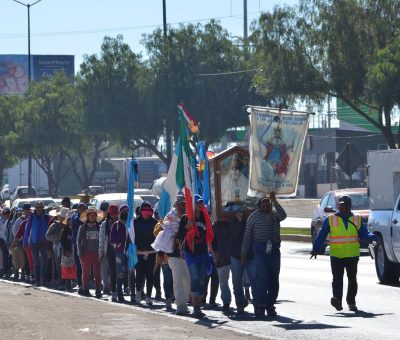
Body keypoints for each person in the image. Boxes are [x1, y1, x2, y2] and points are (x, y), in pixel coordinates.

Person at [311, 195, 377, 312]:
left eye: (345, 205)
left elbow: (364, 233)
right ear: (338, 206)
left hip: (352, 255)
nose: (343, 207)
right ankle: (337, 300)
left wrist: (373, 237)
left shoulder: (357, 219)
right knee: (337, 279)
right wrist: (315, 248)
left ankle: (351, 302)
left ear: (350, 206)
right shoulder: (331, 219)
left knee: (352, 279)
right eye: (341, 205)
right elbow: (321, 235)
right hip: (336, 255)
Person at [241, 192, 286, 317]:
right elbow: (247, 237)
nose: (266, 204)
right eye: (263, 202)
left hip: (274, 251)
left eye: (268, 202)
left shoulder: (275, 215)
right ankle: (260, 305)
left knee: (274, 279)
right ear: (259, 204)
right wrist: (243, 254)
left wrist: (275, 200)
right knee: (261, 279)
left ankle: (270, 305)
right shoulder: (253, 218)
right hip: (260, 252)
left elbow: (284, 215)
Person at [177, 194, 214, 318]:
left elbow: (209, 234)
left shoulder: (205, 217)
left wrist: (212, 251)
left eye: (201, 203)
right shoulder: (186, 217)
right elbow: (179, 235)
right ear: (192, 205)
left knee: (202, 278)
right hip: (190, 252)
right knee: (195, 276)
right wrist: (187, 226)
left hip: (203, 252)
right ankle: (195, 307)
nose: (199, 205)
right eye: (197, 203)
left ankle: (198, 305)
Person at [162, 194, 191, 315]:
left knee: (188, 280)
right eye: (179, 204)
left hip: (187, 253)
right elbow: (164, 232)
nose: (181, 206)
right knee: (177, 280)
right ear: (174, 204)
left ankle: (184, 301)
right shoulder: (169, 217)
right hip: (173, 253)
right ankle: (180, 305)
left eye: (183, 203)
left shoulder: (189, 216)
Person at [229, 207, 254, 314]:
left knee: (255, 280)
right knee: (236, 282)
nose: (244, 212)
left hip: (250, 255)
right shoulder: (233, 221)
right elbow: (234, 235)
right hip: (236, 255)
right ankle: (240, 304)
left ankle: (258, 305)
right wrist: (239, 221)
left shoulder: (252, 219)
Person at [77, 208, 105, 298]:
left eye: (94, 215)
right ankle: (85, 289)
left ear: (96, 217)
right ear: (87, 216)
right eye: (90, 215)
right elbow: (78, 240)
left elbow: (102, 241)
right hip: (86, 253)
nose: (92, 217)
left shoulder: (100, 227)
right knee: (86, 273)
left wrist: (101, 252)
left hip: (96, 253)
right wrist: (80, 253)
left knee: (97, 273)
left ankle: (98, 290)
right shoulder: (82, 227)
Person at [134, 202, 158, 305]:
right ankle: (138, 292)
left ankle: (148, 296)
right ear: (140, 212)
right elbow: (131, 237)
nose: (146, 213)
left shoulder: (155, 222)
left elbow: (158, 237)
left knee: (150, 275)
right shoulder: (134, 222)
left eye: (149, 211)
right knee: (139, 274)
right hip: (138, 252)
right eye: (144, 211)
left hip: (152, 252)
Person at [23, 201, 51, 286]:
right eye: (38, 208)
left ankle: (43, 278)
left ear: (43, 208)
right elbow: (27, 230)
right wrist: (24, 242)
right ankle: (37, 279)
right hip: (33, 242)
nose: (39, 210)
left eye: (41, 208)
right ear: (35, 209)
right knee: (36, 262)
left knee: (44, 261)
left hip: (44, 242)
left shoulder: (47, 217)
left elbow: (50, 229)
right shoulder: (32, 217)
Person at [46, 207, 70, 288]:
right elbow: (47, 236)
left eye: (64, 218)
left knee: (68, 264)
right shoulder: (54, 225)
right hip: (57, 248)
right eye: (62, 217)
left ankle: (68, 280)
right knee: (59, 264)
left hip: (67, 247)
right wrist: (58, 237)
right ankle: (61, 280)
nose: (63, 219)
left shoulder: (68, 226)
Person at [99, 204, 119, 301]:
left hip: (118, 250)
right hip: (108, 249)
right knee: (105, 269)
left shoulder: (120, 223)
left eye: (116, 214)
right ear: (109, 214)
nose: (114, 216)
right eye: (112, 214)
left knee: (115, 270)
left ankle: (115, 287)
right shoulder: (104, 225)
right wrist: (101, 252)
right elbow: (101, 239)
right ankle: (106, 287)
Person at [110, 205, 130, 303]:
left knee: (129, 274)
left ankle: (132, 293)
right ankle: (119, 294)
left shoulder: (130, 224)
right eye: (124, 212)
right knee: (120, 274)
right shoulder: (116, 225)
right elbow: (112, 239)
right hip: (120, 253)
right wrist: (122, 239)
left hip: (129, 253)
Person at [212, 219, 232, 313]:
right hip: (222, 256)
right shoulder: (215, 225)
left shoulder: (237, 222)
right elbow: (212, 240)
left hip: (235, 255)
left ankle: (239, 302)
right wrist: (215, 253)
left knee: (236, 282)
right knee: (223, 282)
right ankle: (226, 302)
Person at [71, 203, 87, 294]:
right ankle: (80, 284)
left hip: (87, 244)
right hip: (76, 244)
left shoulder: (88, 217)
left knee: (86, 265)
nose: (82, 210)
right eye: (80, 208)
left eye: (84, 208)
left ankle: (86, 283)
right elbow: (78, 221)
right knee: (78, 264)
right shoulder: (74, 217)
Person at [60, 212, 76, 291]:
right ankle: (67, 282)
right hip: (67, 251)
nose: (71, 221)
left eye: (72, 220)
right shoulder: (65, 230)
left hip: (75, 250)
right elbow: (62, 241)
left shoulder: (76, 229)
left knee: (74, 266)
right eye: (69, 220)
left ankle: (74, 280)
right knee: (67, 266)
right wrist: (66, 250)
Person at [0, 207, 11, 277]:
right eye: (5, 213)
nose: (6, 215)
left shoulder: (10, 220)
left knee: (6, 255)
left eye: (7, 213)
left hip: (6, 239)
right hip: (1, 239)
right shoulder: (1, 220)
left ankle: (6, 270)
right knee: (4, 255)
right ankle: (4, 270)